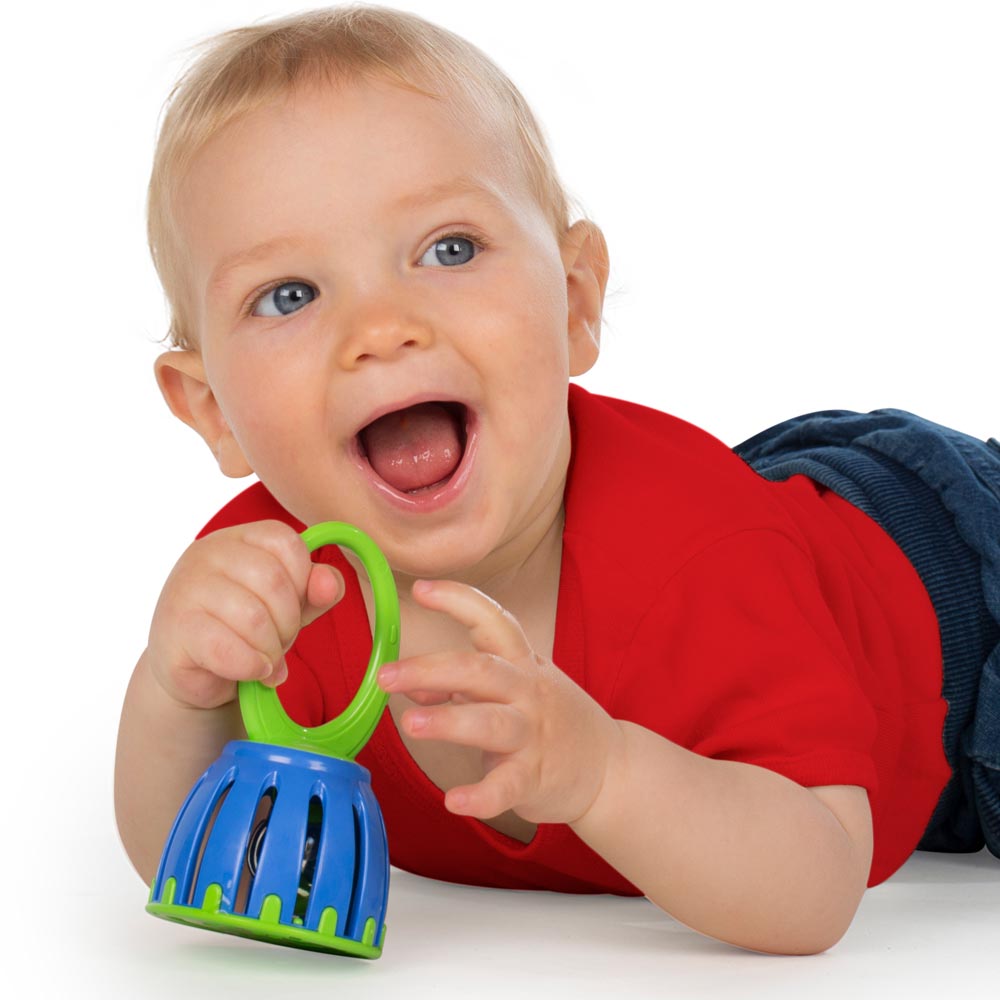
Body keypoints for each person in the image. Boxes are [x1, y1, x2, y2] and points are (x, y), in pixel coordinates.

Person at [114, 3, 1000, 956]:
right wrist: (178, 689)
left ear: (575, 302)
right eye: (288, 295)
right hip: (789, 535)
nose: (381, 328)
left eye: (449, 249)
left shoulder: (699, 558)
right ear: (210, 408)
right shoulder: (271, 591)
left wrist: (603, 771)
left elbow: (812, 891)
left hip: (956, 591)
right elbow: (192, 856)